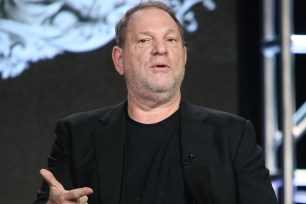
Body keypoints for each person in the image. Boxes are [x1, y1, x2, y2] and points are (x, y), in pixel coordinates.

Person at [33, 1, 278, 204]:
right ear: (119, 60)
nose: (160, 49)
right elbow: (53, 199)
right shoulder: (77, 134)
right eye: (144, 40)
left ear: (183, 57)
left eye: (171, 40)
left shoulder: (232, 135)